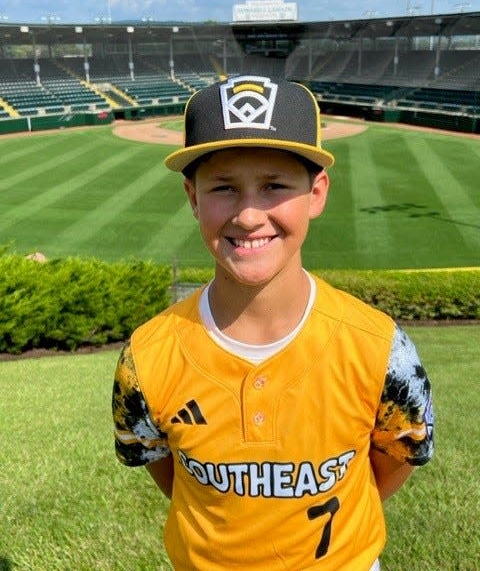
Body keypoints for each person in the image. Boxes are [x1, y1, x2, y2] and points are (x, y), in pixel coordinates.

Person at [112, 75, 434, 571]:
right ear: (193, 197)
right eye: (223, 187)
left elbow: (389, 466)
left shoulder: (381, 348)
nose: (247, 214)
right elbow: (169, 472)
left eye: (274, 185)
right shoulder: (147, 357)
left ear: (317, 192)